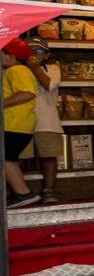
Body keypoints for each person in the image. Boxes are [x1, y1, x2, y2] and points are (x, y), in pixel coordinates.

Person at [22, 38, 63, 203]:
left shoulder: (53, 68)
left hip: (47, 120)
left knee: (49, 156)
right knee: (17, 158)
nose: (33, 55)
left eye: (38, 52)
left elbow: (48, 85)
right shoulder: (16, 69)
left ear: (46, 55)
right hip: (21, 120)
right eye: (29, 51)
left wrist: (34, 67)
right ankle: (21, 191)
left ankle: (49, 191)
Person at [3, 39, 42, 208]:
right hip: (17, 124)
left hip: (14, 123)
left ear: (11, 57)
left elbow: (27, 93)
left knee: (5, 159)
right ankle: (20, 193)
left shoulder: (17, 70)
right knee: (8, 159)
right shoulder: (14, 70)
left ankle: (23, 193)